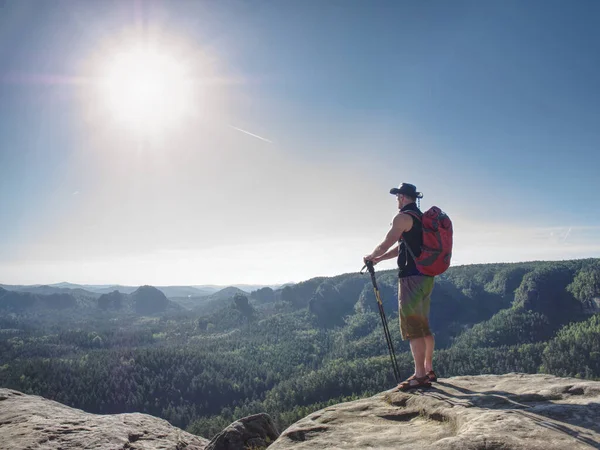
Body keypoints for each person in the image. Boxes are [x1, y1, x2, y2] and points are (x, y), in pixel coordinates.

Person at [363, 182, 436, 391]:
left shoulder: (402, 217)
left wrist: (372, 255)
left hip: (411, 277)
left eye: (397, 197)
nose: (397, 200)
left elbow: (388, 241)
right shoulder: (420, 218)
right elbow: (402, 247)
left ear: (403, 197)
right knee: (423, 325)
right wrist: (380, 259)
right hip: (426, 277)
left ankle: (420, 375)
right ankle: (429, 369)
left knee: (413, 327)